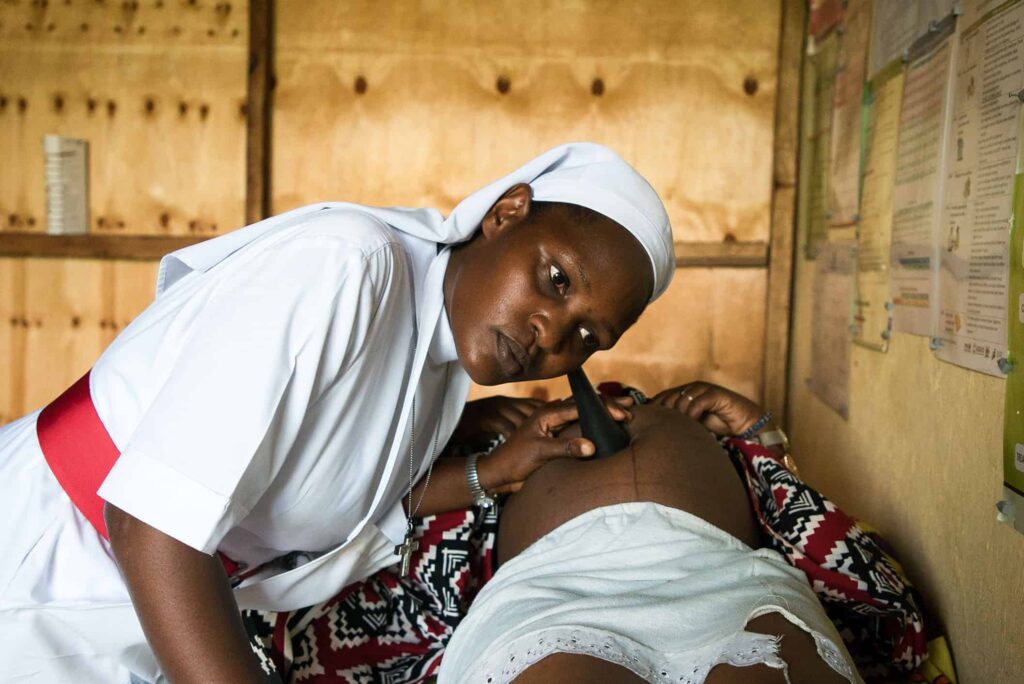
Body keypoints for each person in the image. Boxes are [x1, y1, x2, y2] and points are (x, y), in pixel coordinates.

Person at [0, 143, 675, 683]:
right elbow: (152, 524)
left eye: (589, 337)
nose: (550, 333)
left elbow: (329, 504)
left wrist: (487, 472)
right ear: (505, 213)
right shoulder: (348, 266)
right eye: (556, 280)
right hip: (41, 567)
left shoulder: (438, 374)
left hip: (136, 612)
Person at [438, 386, 863, 684]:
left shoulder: (709, 422)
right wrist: (460, 425)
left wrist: (758, 430)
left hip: (727, 578)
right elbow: (390, 505)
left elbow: (794, 516)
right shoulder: (497, 442)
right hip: (552, 594)